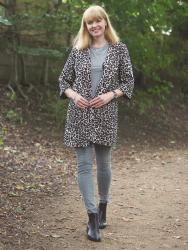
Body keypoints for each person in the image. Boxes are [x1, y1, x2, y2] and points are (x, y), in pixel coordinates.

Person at [58, 5, 134, 242]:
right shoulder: (78, 50)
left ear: (105, 22)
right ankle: (91, 218)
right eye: (90, 22)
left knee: (103, 164)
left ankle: (103, 206)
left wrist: (111, 94)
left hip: (106, 114)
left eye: (98, 21)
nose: (94, 26)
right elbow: (63, 81)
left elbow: (128, 81)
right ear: (86, 26)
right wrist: (74, 95)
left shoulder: (119, 49)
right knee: (82, 166)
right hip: (79, 115)